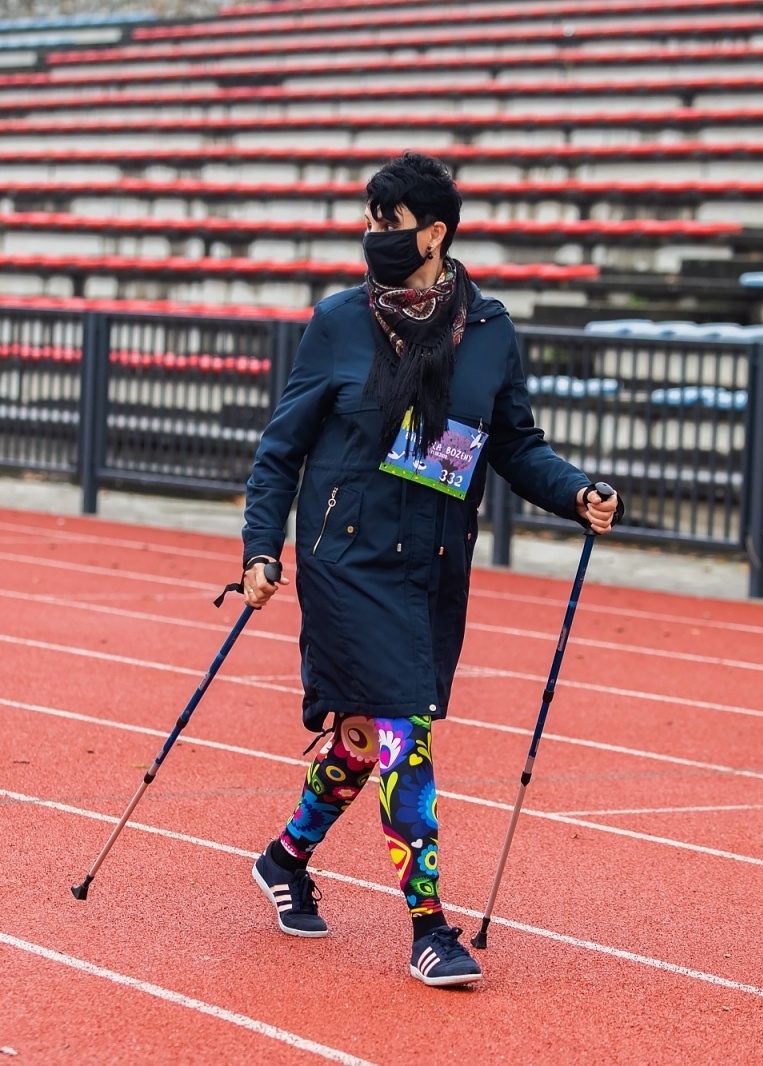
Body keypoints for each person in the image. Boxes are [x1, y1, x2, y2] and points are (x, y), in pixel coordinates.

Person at [239, 152, 620, 988]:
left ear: (435, 233)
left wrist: (577, 492)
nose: (374, 235)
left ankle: (283, 857)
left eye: (389, 222)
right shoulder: (339, 322)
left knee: (365, 738)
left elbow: (516, 444)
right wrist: (261, 549)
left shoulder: (487, 330)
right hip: (345, 563)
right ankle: (429, 928)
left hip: (434, 565)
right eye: (370, 220)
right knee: (407, 732)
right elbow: (280, 451)